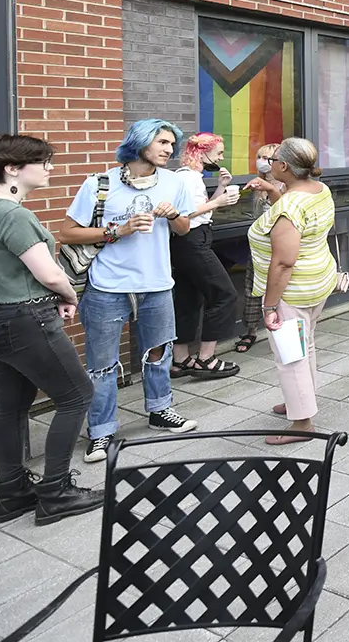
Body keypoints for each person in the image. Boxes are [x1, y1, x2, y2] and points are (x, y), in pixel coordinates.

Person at [0, 134, 103, 524]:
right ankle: (56, 492)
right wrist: (69, 294)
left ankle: (10, 494)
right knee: (77, 395)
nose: (49, 168)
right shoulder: (14, 215)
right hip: (23, 320)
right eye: (42, 162)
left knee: (9, 409)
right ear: (11, 168)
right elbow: (47, 271)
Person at [56, 119, 199, 463]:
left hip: (158, 283)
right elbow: (67, 233)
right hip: (107, 286)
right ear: (140, 142)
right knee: (102, 364)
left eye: (171, 144)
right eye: (162, 142)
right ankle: (101, 431)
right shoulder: (99, 184)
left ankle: (160, 410)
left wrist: (175, 213)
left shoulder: (174, 181)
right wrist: (116, 231)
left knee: (158, 353)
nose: (168, 149)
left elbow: (184, 229)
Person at [251, 138, 339, 444]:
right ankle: (300, 401)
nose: (268, 163)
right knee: (306, 345)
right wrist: (275, 193)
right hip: (318, 281)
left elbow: (284, 262)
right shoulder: (319, 189)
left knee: (291, 356)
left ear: (284, 166)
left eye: (273, 159)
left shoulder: (290, 205)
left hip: (292, 291)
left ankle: (302, 425)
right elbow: (298, 217)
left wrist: (269, 305)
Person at [169, 133, 242, 380]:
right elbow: (186, 214)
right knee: (224, 294)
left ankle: (180, 360)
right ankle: (206, 359)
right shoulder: (189, 178)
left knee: (187, 299)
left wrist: (220, 188)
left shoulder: (186, 176)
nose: (221, 157)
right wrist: (220, 200)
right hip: (192, 241)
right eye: (219, 153)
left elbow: (199, 210)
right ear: (202, 152)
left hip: (184, 242)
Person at [234, 143, 285, 353]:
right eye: (260, 157)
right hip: (259, 248)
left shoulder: (284, 187)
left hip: (279, 247)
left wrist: (271, 190)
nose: (263, 162)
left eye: (268, 158)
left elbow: (284, 209)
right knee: (252, 289)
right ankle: (251, 330)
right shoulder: (258, 185)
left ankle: (282, 327)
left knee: (279, 288)